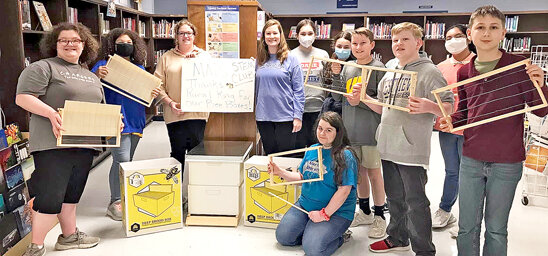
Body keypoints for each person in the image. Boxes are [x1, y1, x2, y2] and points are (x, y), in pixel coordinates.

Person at [439, 6, 548, 255]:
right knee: (467, 227)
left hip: (507, 162)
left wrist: (542, 84)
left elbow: (541, 110)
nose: (486, 33)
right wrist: (451, 122)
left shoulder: (520, 66)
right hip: (471, 159)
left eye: (493, 27)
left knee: (497, 229)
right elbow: (465, 113)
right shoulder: (464, 71)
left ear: (503, 34)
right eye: (480, 27)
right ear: (470, 34)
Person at [15, 22, 120, 256]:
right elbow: (23, 98)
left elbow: (98, 109)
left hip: (84, 144)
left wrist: (114, 123)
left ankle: (69, 236)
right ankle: (36, 246)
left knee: (72, 193)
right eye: (64, 40)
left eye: (76, 40)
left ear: (85, 45)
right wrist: (51, 113)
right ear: (55, 44)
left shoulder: (90, 75)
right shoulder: (44, 68)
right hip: (52, 144)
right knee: (49, 195)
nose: (70, 44)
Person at [362, 22, 454, 255]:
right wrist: (363, 98)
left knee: (416, 202)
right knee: (394, 198)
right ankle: (397, 238)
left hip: (411, 149)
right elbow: (383, 108)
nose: (399, 44)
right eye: (395, 40)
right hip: (388, 145)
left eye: (405, 39)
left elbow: (449, 107)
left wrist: (431, 106)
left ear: (418, 43)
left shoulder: (430, 71)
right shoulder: (391, 70)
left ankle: (424, 250)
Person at [91, 28, 161, 221]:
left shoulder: (139, 68)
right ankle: (115, 202)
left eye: (129, 43)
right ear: (112, 45)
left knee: (127, 159)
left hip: (136, 119)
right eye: (121, 42)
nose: (125, 45)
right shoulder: (102, 65)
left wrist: (152, 94)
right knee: (121, 160)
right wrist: (97, 76)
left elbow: (145, 95)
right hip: (115, 120)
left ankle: (122, 197)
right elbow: (88, 89)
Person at [272, 111, 358, 256]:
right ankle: (313, 231)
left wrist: (324, 214)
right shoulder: (312, 150)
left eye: (328, 130)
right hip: (306, 206)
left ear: (338, 132)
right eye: (320, 128)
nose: (323, 133)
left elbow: (344, 191)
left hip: (336, 213)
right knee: (283, 237)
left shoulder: (345, 155)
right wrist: (279, 172)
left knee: (313, 250)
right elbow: (301, 177)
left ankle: (339, 237)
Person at [331, 27, 387, 238]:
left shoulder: (379, 68)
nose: (357, 47)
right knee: (359, 174)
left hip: (371, 131)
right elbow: (338, 98)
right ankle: (364, 210)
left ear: (372, 45)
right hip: (351, 131)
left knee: (374, 173)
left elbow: (382, 104)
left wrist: (361, 100)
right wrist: (337, 76)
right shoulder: (348, 67)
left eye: (363, 43)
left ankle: (380, 215)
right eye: (354, 43)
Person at [432, 24, 475, 231]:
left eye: (458, 36)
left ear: (468, 37)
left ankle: (469, 219)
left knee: (471, 172)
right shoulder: (440, 68)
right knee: (452, 171)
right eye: (448, 37)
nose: (453, 40)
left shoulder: (478, 63)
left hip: (473, 127)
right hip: (447, 128)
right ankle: (445, 209)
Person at [154, 20, 210, 169]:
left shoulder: (203, 56)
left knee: (197, 155)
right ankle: (177, 191)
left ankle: (195, 190)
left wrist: (195, 65)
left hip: (197, 114)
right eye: (182, 33)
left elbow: (212, 82)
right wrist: (170, 103)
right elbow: (157, 85)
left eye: (189, 33)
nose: (186, 36)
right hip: (174, 114)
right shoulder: (166, 57)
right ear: (176, 36)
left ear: (194, 36)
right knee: (177, 153)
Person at [255, 19, 305, 154]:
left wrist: (297, 116)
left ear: (280, 35)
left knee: (285, 158)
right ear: (264, 37)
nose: (272, 37)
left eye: (275, 33)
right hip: (263, 117)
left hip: (286, 117)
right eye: (268, 33)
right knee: (270, 156)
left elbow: (299, 90)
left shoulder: (291, 59)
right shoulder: (259, 60)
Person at [291, 19, 329, 148]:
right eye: (303, 34)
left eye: (310, 33)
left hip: (319, 109)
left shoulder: (323, 54)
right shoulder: (291, 55)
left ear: (315, 35)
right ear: (297, 36)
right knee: (298, 149)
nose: (306, 37)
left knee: (317, 149)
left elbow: (328, 81)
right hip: (298, 111)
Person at [320, 31, 355, 115]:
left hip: (347, 107)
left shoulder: (354, 65)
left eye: (346, 47)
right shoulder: (329, 62)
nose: (342, 50)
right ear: (334, 46)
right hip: (330, 107)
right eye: (339, 46)